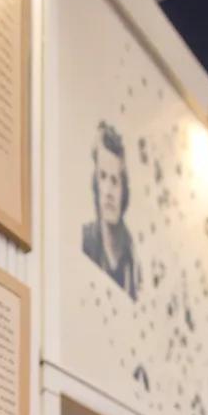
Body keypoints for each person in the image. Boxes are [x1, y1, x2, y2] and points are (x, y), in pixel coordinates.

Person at [81, 122, 139, 300]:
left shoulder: (133, 260)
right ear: (95, 184)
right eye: (103, 177)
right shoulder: (86, 240)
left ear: (124, 191)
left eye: (115, 181)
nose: (108, 192)